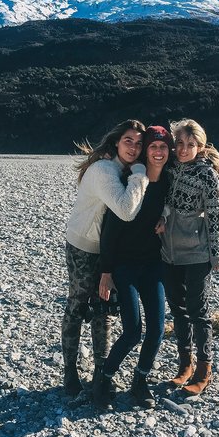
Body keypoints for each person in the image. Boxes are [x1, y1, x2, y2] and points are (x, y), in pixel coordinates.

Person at [62, 119, 149, 396]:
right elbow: (125, 209)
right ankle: (70, 371)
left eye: (138, 143)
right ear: (115, 142)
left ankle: (101, 369)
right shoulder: (104, 171)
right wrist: (140, 175)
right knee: (77, 304)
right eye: (128, 141)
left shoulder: (119, 169)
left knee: (105, 308)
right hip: (83, 247)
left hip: (107, 251)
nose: (134, 147)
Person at [92, 126, 173, 409]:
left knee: (158, 328)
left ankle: (140, 380)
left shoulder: (169, 181)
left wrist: (167, 217)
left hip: (152, 264)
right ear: (145, 151)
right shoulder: (129, 180)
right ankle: (104, 378)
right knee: (132, 331)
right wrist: (106, 271)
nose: (159, 152)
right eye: (153, 147)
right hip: (124, 265)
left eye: (164, 147)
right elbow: (110, 231)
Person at [160, 118, 219, 396]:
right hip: (168, 252)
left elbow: (214, 215)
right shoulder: (170, 168)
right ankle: (185, 364)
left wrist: (215, 254)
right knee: (178, 310)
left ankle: (204, 370)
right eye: (180, 144)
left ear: (200, 146)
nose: (184, 149)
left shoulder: (207, 174)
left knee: (199, 312)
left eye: (190, 145)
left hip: (196, 253)